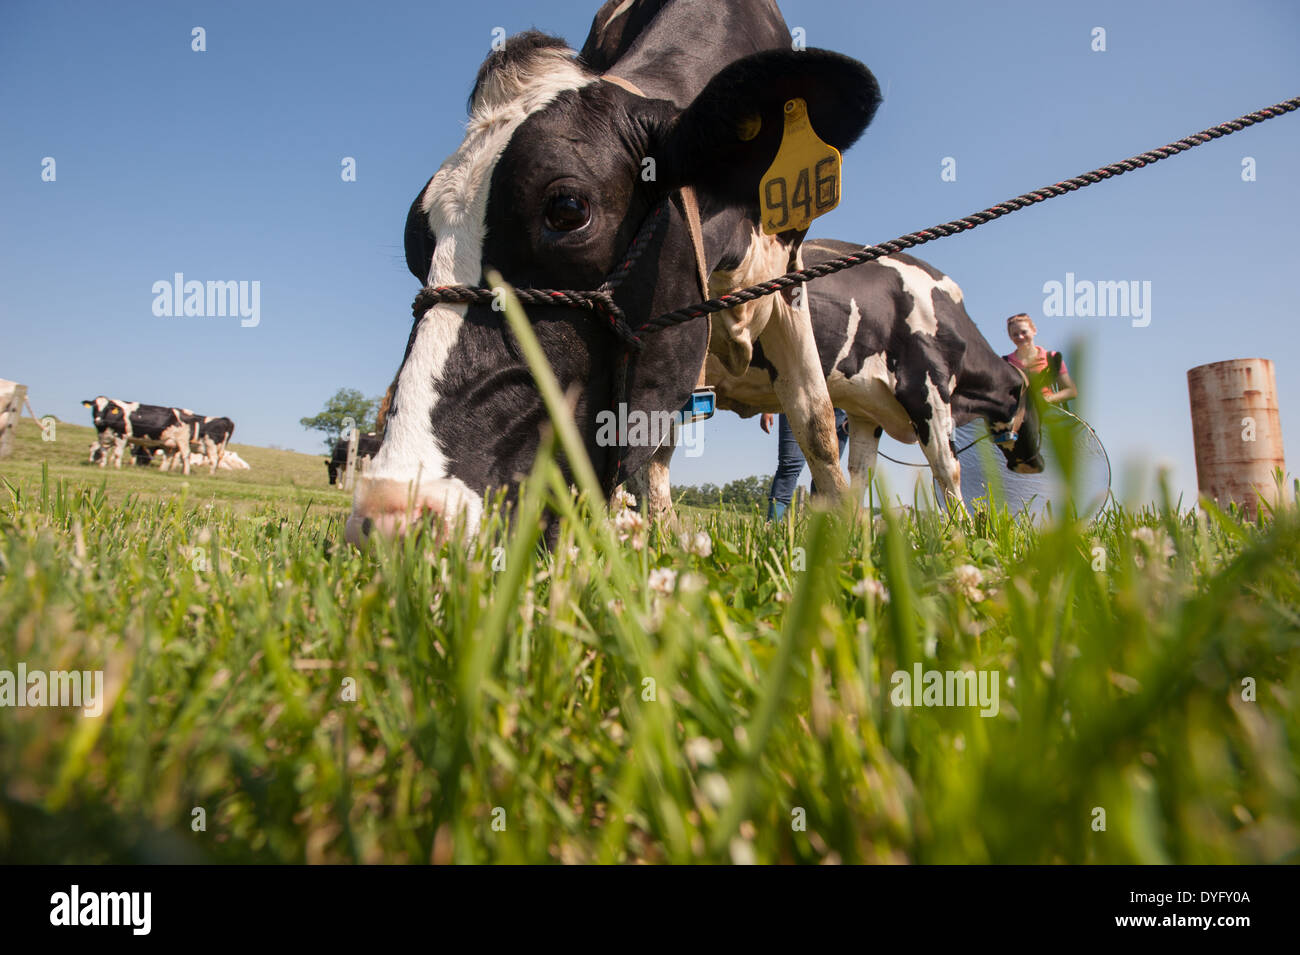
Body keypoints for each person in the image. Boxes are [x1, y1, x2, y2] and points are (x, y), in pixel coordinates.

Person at [760, 409, 850, 520]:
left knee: (826, 471)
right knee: (789, 464)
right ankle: (773, 525)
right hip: (795, 400)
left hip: (837, 408)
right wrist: (769, 407)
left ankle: (817, 529)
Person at [1004, 313, 1077, 404]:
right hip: (1016, 414)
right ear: (1010, 337)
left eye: (1024, 332)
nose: (1020, 337)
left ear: (1034, 330)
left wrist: (1049, 399)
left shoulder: (1051, 358)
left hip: (1047, 413)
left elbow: (1071, 391)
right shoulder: (1005, 363)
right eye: (1015, 334)